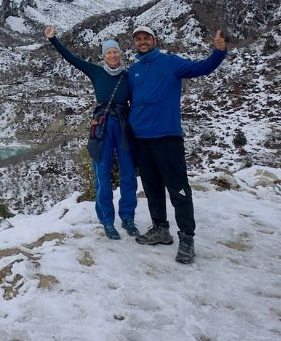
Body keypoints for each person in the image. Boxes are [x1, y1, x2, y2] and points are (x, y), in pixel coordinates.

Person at [128, 25, 227, 264]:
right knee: (151, 188)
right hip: (141, 139)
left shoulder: (170, 62)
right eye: (138, 39)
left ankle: (187, 238)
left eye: (146, 38)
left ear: (154, 40)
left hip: (167, 137)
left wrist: (218, 52)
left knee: (178, 188)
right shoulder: (133, 70)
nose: (142, 41)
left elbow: (201, 68)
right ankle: (161, 229)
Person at [45, 25, 137, 240]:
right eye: (109, 52)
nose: (113, 55)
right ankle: (107, 221)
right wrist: (53, 40)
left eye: (116, 51)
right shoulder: (96, 72)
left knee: (129, 174)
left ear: (120, 54)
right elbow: (72, 59)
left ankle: (128, 218)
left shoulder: (129, 76)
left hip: (123, 125)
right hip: (102, 125)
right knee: (102, 174)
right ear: (103, 56)